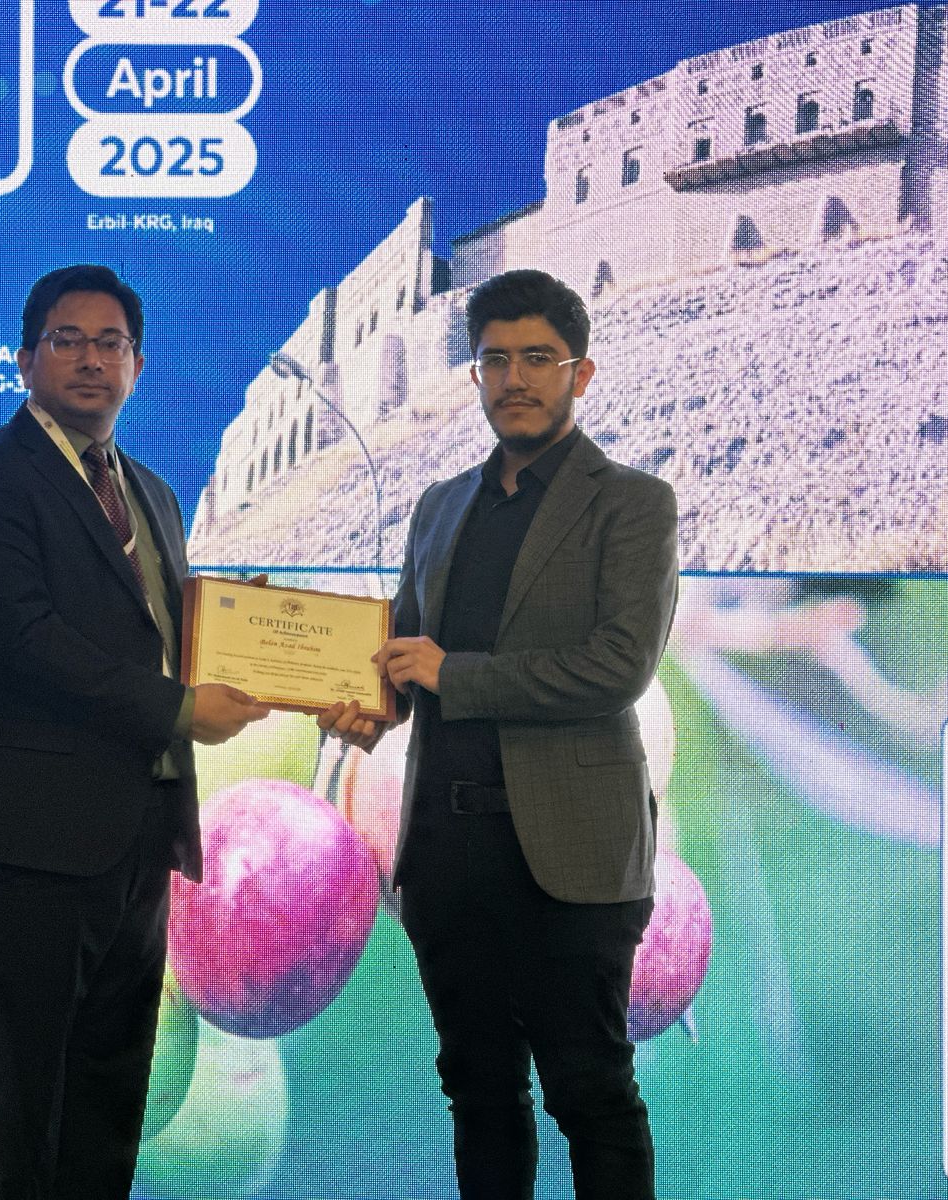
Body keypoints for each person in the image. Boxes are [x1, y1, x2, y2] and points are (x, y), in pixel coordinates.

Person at [323, 268, 679, 1200]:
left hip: (572, 858)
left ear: (580, 374)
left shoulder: (633, 504)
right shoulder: (439, 507)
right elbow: (405, 663)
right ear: (474, 373)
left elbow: (617, 667)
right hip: (448, 856)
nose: (515, 378)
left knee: (591, 1095)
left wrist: (455, 675)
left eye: (538, 358)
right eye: (495, 360)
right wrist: (359, 703)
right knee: (479, 1096)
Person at [0, 263, 269, 1199]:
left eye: (110, 343)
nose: (90, 359)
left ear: (137, 366)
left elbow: (165, 639)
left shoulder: (153, 493)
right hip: (25, 845)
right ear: (24, 359)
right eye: (67, 340)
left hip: (140, 841)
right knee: (13, 1119)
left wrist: (268, 654)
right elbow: (22, 640)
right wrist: (179, 710)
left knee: (106, 1119)